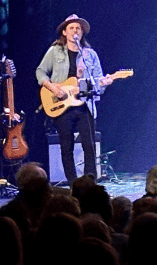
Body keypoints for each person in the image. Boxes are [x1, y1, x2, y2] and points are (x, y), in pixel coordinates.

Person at [36, 14, 106, 184]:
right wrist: (54, 88)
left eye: (78, 28)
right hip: (61, 105)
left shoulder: (90, 55)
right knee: (66, 147)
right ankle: (73, 182)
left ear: (82, 33)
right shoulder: (55, 51)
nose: (75, 31)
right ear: (65, 32)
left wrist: (105, 82)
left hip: (84, 105)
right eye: (72, 28)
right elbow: (40, 72)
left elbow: (99, 81)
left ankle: (90, 183)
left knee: (89, 145)